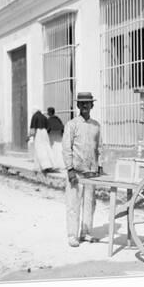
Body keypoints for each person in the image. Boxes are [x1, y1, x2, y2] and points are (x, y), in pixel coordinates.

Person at [62, 92, 103, 247]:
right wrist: (70, 169)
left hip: (91, 172)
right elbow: (66, 148)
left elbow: (100, 147)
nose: (85, 106)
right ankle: (72, 235)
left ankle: (85, 232)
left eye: (88, 103)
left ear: (92, 105)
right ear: (78, 105)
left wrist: (100, 165)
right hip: (76, 171)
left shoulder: (96, 125)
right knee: (73, 203)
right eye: (82, 103)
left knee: (90, 203)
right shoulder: (71, 125)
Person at [29, 106, 54, 173]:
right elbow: (49, 127)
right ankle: (49, 164)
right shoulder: (44, 117)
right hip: (45, 133)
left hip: (38, 133)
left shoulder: (34, 116)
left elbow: (33, 128)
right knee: (46, 147)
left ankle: (44, 166)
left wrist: (29, 136)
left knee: (39, 149)